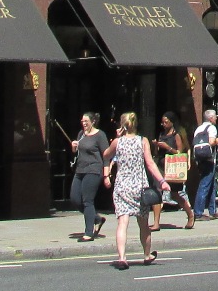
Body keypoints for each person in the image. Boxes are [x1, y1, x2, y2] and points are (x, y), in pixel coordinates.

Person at [101, 111, 170, 269]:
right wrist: (162, 181)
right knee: (143, 224)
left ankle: (122, 257)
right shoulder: (142, 141)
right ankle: (147, 255)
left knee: (122, 222)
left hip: (122, 186)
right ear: (136, 124)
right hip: (139, 186)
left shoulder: (117, 142)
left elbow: (105, 155)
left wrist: (116, 137)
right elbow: (150, 163)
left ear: (122, 125)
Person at [151, 112, 195, 231]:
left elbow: (179, 153)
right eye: (162, 122)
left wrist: (168, 147)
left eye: (166, 122)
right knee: (157, 192)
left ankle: (190, 214)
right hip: (161, 166)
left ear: (172, 122)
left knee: (174, 194)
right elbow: (157, 152)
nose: (163, 124)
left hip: (172, 167)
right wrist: (156, 145)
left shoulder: (176, 135)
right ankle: (156, 223)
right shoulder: (161, 134)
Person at [69, 112, 109, 241]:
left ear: (93, 121)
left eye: (86, 121)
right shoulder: (81, 134)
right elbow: (77, 152)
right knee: (75, 198)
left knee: (88, 201)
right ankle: (97, 219)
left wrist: (106, 174)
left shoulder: (100, 135)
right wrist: (74, 148)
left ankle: (88, 232)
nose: (84, 123)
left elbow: (106, 155)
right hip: (80, 169)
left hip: (93, 170)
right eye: (82, 121)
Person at [191, 109, 218, 221]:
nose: (216, 118)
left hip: (200, 159)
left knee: (211, 185)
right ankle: (198, 212)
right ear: (210, 118)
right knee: (204, 184)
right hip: (209, 159)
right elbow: (211, 142)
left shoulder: (198, 128)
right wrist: (217, 141)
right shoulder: (212, 128)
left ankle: (212, 210)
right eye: (215, 116)